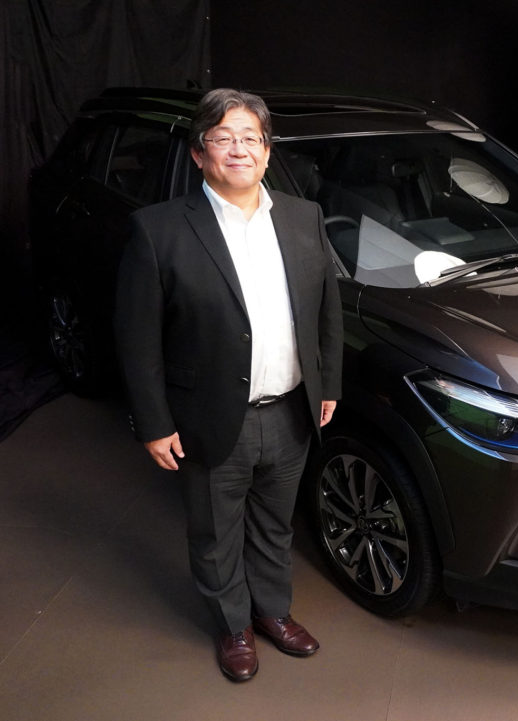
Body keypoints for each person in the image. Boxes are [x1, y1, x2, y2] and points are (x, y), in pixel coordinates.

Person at [114, 88, 344, 680]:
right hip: (210, 416)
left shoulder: (303, 217)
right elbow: (137, 340)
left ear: (267, 151)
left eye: (250, 138)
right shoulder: (158, 230)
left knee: (275, 524)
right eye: (223, 137)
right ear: (199, 153)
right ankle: (233, 624)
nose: (238, 149)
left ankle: (272, 611)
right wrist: (154, 422)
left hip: (291, 410)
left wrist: (328, 384)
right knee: (216, 532)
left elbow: (326, 311)